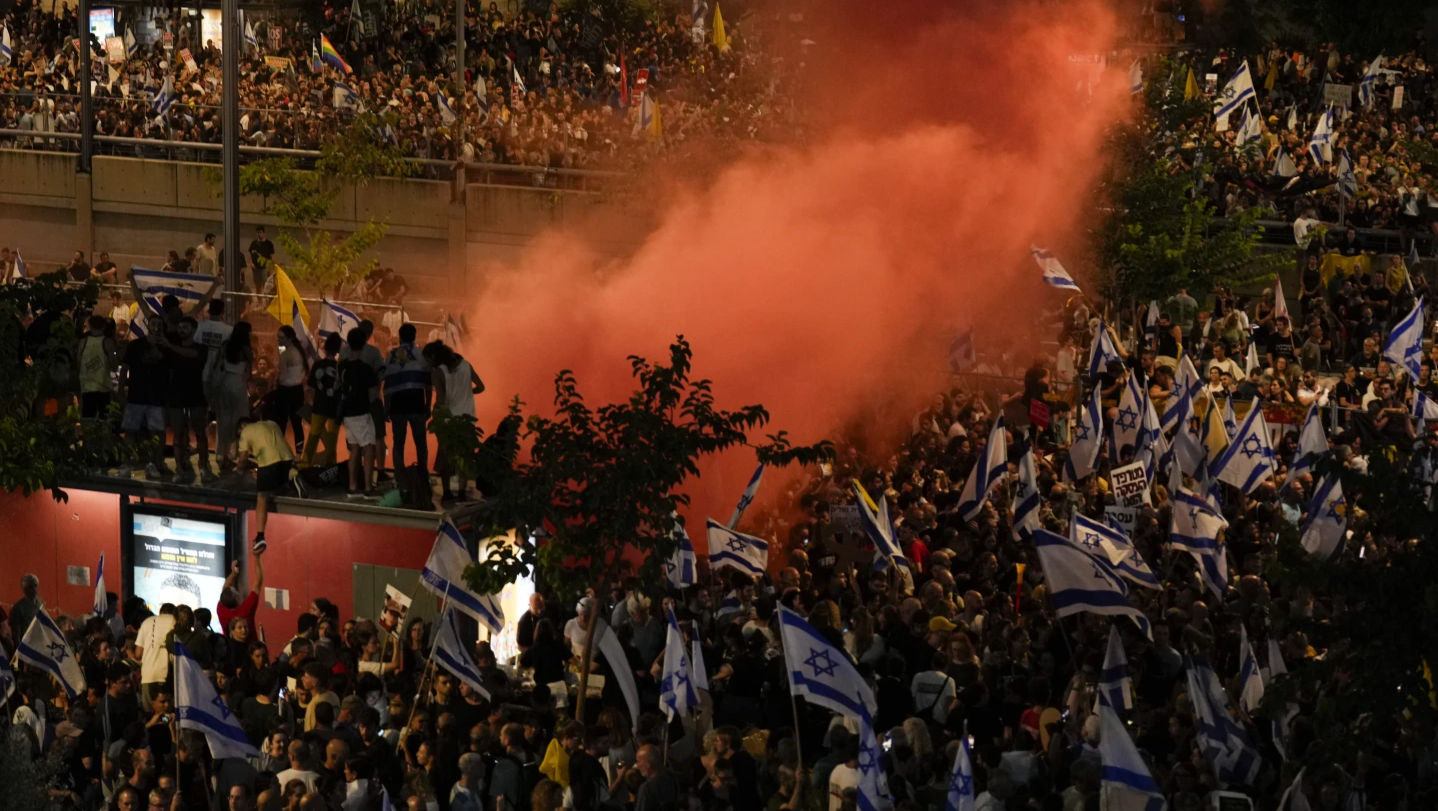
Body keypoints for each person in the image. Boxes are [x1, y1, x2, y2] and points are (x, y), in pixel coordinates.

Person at [155, 316, 212, 483]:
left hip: (195, 394)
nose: (181, 330)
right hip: (176, 396)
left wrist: (170, 346)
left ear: (194, 330)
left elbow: (191, 354)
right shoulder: (170, 349)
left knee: (200, 433)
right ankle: (179, 468)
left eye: (185, 327)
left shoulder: (201, 348)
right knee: (178, 434)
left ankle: (203, 466)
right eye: (180, 327)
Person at [236, 416, 297, 554]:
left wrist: (238, 471)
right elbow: (274, 446)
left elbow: (243, 459)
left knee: (262, 496)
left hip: (269, 462)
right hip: (287, 460)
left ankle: (260, 536)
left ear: (242, 427)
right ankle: (290, 484)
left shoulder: (246, 431)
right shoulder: (271, 422)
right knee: (275, 484)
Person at [384, 323, 432, 481]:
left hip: (397, 406)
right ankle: (423, 472)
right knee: (420, 441)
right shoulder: (422, 355)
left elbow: (388, 384)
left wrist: (387, 406)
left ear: (399, 336)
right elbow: (428, 383)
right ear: (415, 336)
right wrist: (428, 405)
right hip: (417, 404)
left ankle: (399, 475)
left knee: (398, 443)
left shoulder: (391, 356)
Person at [339, 328, 381, 497]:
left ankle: (353, 486)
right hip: (362, 413)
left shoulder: (342, 366)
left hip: (347, 412)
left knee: (354, 449)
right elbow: (372, 394)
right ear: (364, 345)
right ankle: (368, 488)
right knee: (369, 449)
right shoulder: (365, 368)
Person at [213, 321, 254, 470]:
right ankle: (234, 454)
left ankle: (221, 454)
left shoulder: (225, 346)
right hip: (238, 384)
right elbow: (249, 370)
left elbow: (218, 366)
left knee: (224, 421)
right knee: (239, 421)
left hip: (224, 383)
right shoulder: (246, 349)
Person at [302, 333, 343, 468]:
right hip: (334, 407)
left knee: (313, 436)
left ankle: (305, 464)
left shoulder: (318, 365)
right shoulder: (339, 367)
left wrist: (311, 401)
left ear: (325, 349)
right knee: (332, 437)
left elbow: (311, 386)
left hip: (319, 405)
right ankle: (331, 465)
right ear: (338, 349)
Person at [272, 326, 310, 452]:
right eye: (278, 337)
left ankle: (279, 451)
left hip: (286, 391)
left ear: (289, 338)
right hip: (297, 391)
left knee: (281, 423)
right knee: (296, 423)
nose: (279, 340)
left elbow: (282, 376)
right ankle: (298, 453)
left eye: (281, 338)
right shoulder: (298, 352)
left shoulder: (287, 354)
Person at [77, 314, 118, 419]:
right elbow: (114, 366)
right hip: (103, 388)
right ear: (103, 326)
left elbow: (78, 363)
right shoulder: (108, 342)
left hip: (86, 388)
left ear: (90, 326)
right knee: (105, 421)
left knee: (88, 420)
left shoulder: (83, 342)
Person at [248, 227, 275, 293]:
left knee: (265, 285)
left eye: (260, 232)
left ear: (263, 233)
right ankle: (259, 301)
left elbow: (272, 256)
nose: (259, 234)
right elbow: (250, 253)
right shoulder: (254, 243)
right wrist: (251, 263)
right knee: (257, 285)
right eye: (257, 233)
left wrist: (271, 267)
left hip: (265, 267)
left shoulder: (269, 243)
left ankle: (266, 301)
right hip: (256, 267)